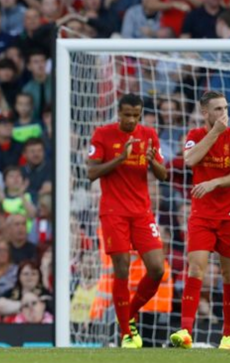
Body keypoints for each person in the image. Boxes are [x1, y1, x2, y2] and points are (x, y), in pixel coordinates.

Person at [171, 91, 230, 350]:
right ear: (205, 113)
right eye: (218, 109)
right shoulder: (195, 136)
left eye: (225, 108)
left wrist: (215, 181)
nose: (224, 113)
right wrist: (215, 133)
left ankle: (228, 336)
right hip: (202, 216)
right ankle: (185, 332)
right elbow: (190, 160)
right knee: (195, 269)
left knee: (229, 274)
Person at [88, 93, 168, 349]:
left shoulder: (149, 134)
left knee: (157, 269)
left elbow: (163, 175)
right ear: (118, 113)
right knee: (121, 267)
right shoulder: (103, 134)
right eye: (127, 115)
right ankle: (126, 333)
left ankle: (130, 313)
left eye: (136, 115)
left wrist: (153, 162)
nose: (132, 120)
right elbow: (91, 173)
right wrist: (121, 158)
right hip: (113, 212)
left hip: (142, 212)